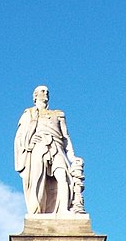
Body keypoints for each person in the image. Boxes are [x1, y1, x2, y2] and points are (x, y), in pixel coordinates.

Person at [14, 85, 79, 214]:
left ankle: (63, 209)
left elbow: (66, 138)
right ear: (35, 96)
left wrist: (73, 158)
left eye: (47, 91)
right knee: (38, 178)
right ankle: (37, 211)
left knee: (63, 176)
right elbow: (20, 136)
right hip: (39, 147)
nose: (45, 93)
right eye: (42, 91)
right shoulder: (29, 113)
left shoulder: (58, 114)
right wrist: (28, 144)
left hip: (56, 146)